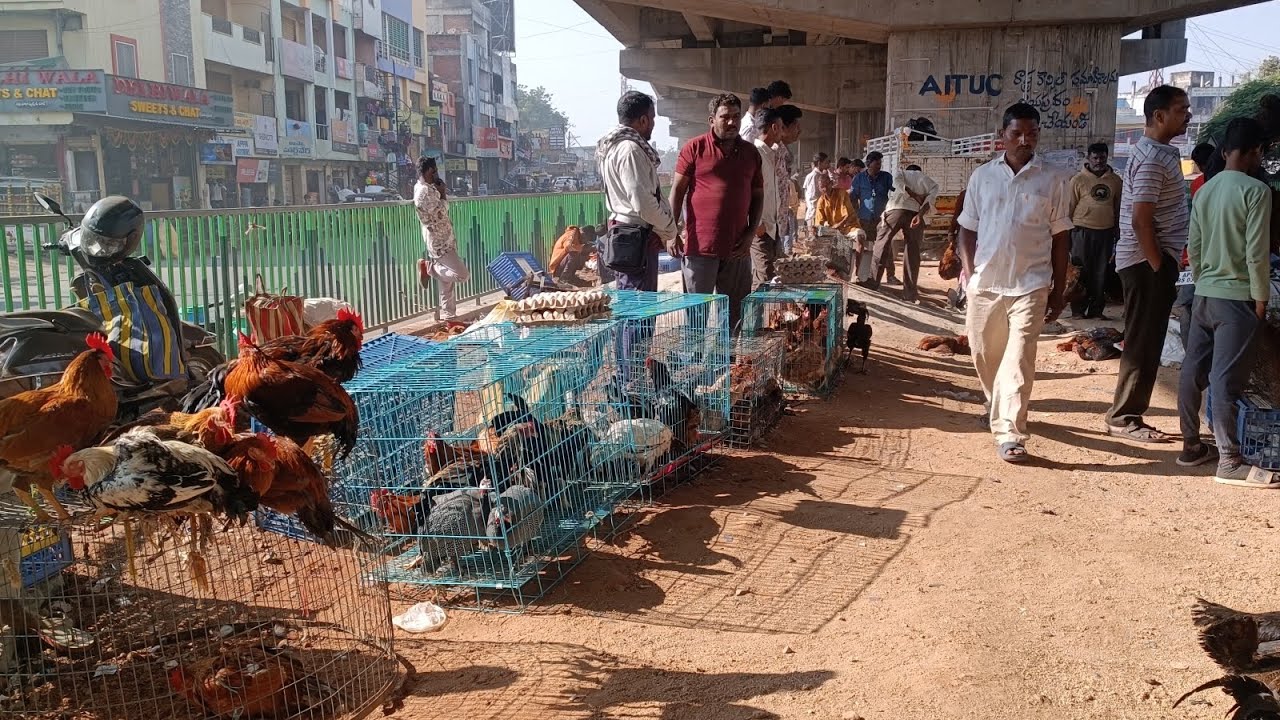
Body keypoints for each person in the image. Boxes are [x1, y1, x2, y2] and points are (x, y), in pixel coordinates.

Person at [957, 102, 1073, 463]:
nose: (1025, 140)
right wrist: (970, 272)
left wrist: (1058, 287)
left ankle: (1010, 431)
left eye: (1032, 133)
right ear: (1001, 137)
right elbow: (967, 229)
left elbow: (1061, 238)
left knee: (1020, 356)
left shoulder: (1053, 180)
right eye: (1016, 133)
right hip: (986, 284)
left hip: (1031, 283)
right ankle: (997, 405)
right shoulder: (982, 177)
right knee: (983, 353)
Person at [1177, 117, 1275, 486]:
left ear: (1222, 151)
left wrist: (1204, 280)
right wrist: (1260, 298)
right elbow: (1256, 252)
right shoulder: (1255, 191)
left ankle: (1191, 446)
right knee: (1224, 380)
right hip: (1236, 300)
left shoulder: (1205, 189)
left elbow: (1195, 246)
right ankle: (1229, 461)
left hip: (1204, 294)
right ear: (1256, 152)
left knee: (1192, 370)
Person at [1105, 85, 1192, 443]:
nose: (1187, 115)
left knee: (1146, 339)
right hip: (1147, 262)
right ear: (1159, 116)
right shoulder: (1154, 158)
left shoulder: (1159, 153)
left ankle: (1127, 413)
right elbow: (1142, 219)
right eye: (1181, 109)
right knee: (1142, 341)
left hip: (1150, 260)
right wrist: (1158, 266)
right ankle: (1124, 417)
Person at [670, 93, 763, 332]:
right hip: (700, 247)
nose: (732, 122)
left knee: (733, 313)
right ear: (712, 119)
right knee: (697, 312)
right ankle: (696, 362)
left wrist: (750, 234)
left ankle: (727, 361)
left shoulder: (751, 154)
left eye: (736, 117)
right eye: (725, 117)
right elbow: (677, 191)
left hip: (737, 248)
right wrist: (671, 232)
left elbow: (758, 196)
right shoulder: (694, 148)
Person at [597, 90, 677, 291]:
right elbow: (644, 204)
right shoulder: (630, 149)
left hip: (627, 235)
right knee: (640, 307)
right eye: (652, 119)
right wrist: (669, 228)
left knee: (632, 303)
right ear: (643, 120)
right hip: (637, 236)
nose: (652, 125)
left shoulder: (611, 146)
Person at [1068, 143, 1123, 319]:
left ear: (1107, 158)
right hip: (1081, 231)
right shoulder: (1077, 180)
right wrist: (1067, 233)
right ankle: (1077, 310)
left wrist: (1117, 230)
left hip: (1105, 232)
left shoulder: (1115, 181)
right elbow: (1069, 206)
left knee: (1101, 272)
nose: (1099, 161)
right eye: (1095, 158)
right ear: (1088, 158)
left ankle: (1096, 310)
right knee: (1080, 272)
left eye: (1102, 158)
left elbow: (1118, 207)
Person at [414, 157, 471, 319]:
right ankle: (428, 267)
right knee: (461, 274)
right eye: (433, 172)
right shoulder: (424, 192)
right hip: (440, 241)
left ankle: (449, 316)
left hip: (444, 238)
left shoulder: (427, 188)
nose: (435, 175)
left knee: (446, 284)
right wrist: (443, 194)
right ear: (425, 171)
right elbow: (441, 212)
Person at [875, 163, 939, 302]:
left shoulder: (901, 173)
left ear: (909, 169)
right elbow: (929, 202)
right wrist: (919, 214)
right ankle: (909, 293)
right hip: (916, 213)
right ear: (919, 171)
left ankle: (873, 283)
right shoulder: (931, 183)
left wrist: (913, 194)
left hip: (896, 209)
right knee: (912, 252)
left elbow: (899, 186)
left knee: (882, 243)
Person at [1176, 142, 1218, 346]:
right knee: (1192, 305)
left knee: (1189, 305)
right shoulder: (1200, 184)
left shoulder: (1199, 184)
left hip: (1195, 255)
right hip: (1206, 256)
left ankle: (1191, 352)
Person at [752, 106, 789, 287]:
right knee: (762, 281)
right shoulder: (755, 154)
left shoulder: (770, 154)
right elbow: (744, 192)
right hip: (761, 230)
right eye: (781, 128)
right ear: (774, 128)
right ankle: (751, 316)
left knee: (770, 278)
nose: (782, 133)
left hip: (771, 229)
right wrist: (757, 224)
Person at [850, 151, 895, 285]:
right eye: (876, 163)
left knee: (886, 247)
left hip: (881, 219)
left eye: (880, 163)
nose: (879, 166)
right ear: (869, 164)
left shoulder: (886, 177)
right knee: (860, 245)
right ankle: (856, 274)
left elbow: (894, 193)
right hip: (864, 218)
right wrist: (855, 215)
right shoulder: (858, 179)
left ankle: (890, 275)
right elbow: (852, 197)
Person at [773, 105, 803, 257]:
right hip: (769, 227)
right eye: (796, 126)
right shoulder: (772, 153)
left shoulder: (783, 153)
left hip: (778, 226)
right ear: (782, 127)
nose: (799, 131)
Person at [803, 152, 832, 234]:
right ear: (819, 163)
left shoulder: (821, 175)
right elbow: (812, 197)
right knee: (814, 241)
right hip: (815, 214)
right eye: (826, 162)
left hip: (820, 213)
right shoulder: (814, 176)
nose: (828, 164)